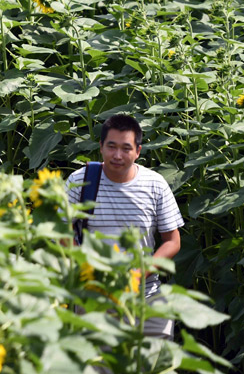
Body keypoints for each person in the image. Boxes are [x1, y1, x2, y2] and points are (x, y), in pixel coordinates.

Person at [67, 113, 184, 340]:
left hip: (147, 295)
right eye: (111, 146)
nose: (117, 155)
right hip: (94, 297)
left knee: (154, 364)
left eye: (126, 148)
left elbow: (173, 241)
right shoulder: (80, 181)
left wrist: (139, 275)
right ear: (100, 147)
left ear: (138, 151)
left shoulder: (155, 184)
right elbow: (63, 233)